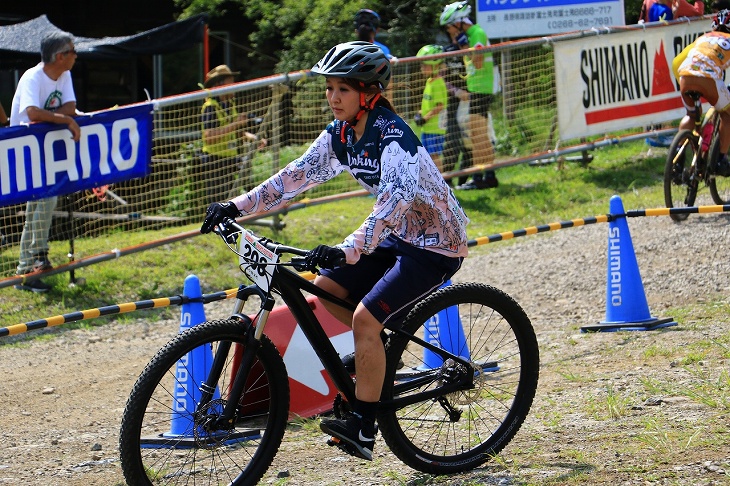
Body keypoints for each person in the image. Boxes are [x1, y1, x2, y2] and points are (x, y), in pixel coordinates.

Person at [200, 41, 469, 461]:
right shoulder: (341, 135)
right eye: (328, 89)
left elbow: (394, 200)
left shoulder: (393, 137)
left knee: (363, 320)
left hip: (436, 243)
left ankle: (363, 427)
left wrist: (347, 249)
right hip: (396, 234)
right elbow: (293, 178)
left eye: (342, 89)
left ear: (369, 92)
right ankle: (377, 351)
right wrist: (235, 206)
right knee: (326, 292)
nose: (332, 98)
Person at [11, 31, 81, 292]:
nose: (76, 56)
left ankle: (30, 262)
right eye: (73, 51)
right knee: (42, 202)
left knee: (43, 203)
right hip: (25, 150)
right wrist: (63, 119)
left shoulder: (65, 75)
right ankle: (32, 262)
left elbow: (70, 107)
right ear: (60, 56)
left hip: (47, 149)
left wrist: (56, 117)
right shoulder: (32, 76)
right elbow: (31, 113)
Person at [440, 1, 499, 190]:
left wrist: (464, 46)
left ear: (458, 23)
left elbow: (479, 62)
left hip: (483, 87)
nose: (450, 32)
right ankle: (485, 176)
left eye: (450, 27)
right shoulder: (471, 35)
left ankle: (482, 176)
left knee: (478, 133)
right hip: (477, 87)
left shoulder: (477, 33)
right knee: (478, 133)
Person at [673, 10, 730, 177]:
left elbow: (677, 62)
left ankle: (677, 156)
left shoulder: (703, 38)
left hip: (684, 75)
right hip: (708, 78)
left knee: (691, 115)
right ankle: (720, 160)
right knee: (727, 116)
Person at [201, 64, 266, 204]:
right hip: (215, 162)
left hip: (230, 158)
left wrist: (252, 137)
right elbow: (209, 137)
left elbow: (232, 131)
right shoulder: (211, 106)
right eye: (231, 81)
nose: (234, 85)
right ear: (221, 84)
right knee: (218, 201)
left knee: (238, 192)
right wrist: (236, 123)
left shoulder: (230, 104)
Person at [414, 44, 448, 172]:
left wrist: (425, 118)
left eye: (425, 65)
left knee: (434, 156)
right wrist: (420, 114)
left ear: (434, 65)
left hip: (435, 127)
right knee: (427, 155)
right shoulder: (430, 81)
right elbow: (428, 104)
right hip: (427, 127)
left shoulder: (438, 83)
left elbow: (439, 106)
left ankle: (441, 184)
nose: (422, 67)